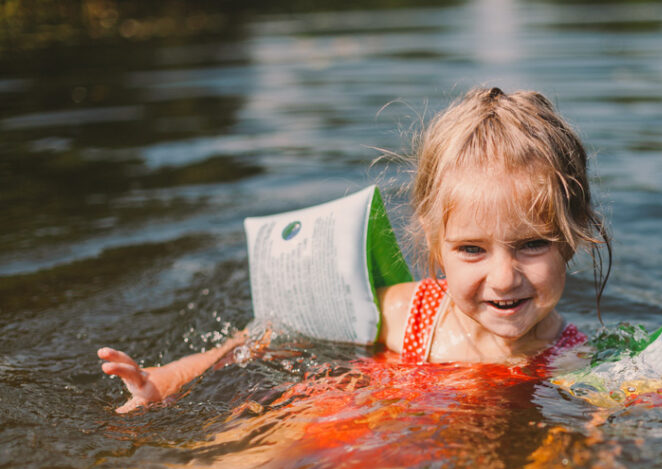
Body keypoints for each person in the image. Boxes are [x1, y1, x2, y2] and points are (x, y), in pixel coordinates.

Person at [98, 86, 611, 413]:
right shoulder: (410, 313)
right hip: (333, 429)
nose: (503, 278)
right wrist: (163, 382)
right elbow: (265, 336)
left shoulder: (574, 360)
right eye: (472, 250)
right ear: (435, 243)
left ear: (573, 235)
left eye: (530, 245)